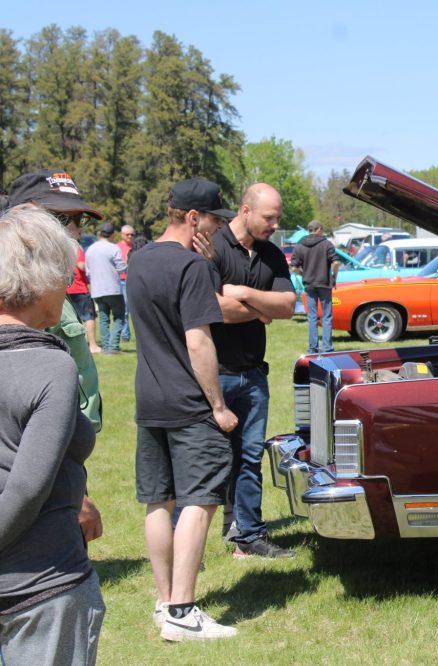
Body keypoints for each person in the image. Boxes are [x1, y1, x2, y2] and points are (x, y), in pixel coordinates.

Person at [128, 178, 239, 641]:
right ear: (192, 218)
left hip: (149, 399)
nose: (217, 227)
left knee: (159, 500)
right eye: (214, 219)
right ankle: (182, 610)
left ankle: (164, 602)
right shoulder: (191, 266)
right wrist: (218, 405)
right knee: (200, 501)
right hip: (190, 403)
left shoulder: (136, 260)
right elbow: (198, 340)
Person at [0, 204, 104, 665]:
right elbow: (26, 488)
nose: (69, 284)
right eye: (65, 273)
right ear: (39, 279)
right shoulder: (49, 364)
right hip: (40, 589)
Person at [5, 168, 105, 540]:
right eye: (62, 219)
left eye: (78, 220)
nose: (75, 231)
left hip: (62, 455)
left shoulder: (49, 292)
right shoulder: (19, 301)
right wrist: (76, 496)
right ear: (23, 219)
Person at [210, 183, 296, 558]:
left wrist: (243, 294)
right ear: (245, 210)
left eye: (277, 217)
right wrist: (263, 310)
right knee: (211, 458)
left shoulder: (272, 254)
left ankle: (249, 535)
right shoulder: (212, 247)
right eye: (269, 217)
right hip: (214, 372)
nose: (275, 224)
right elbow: (212, 307)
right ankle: (191, 539)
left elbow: (288, 306)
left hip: (253, 375)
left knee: (248, 457)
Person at [290, 220, 340, 353]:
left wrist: (303, 273)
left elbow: (293, 267)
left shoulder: (300, 246)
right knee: (326, 316)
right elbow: (336, 263)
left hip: (309, 284)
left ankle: (313, 348)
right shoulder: (327, 244)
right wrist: (334, 276)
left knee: (312, 317)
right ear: (318, 229)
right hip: (324, 283)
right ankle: (327, 348)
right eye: (321, 229)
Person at [84, 223, 126, 354]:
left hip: (97, 290)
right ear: (112, 234)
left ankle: (106, 346)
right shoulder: (114, 248)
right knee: (119, 317)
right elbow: (121, 268)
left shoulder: (90, 249)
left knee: (103, 318)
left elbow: (88, 272)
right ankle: (113, 347)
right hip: (113, 288)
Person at [117, 224, 135, 343]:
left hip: (133, 279)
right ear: (122, 235)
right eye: (127, 234)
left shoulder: (134, 247)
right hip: (122, 280)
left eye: (132, 234)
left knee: (132, 309)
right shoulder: (117, 247)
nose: (130, 236)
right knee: (125, 309)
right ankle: (125, 334)